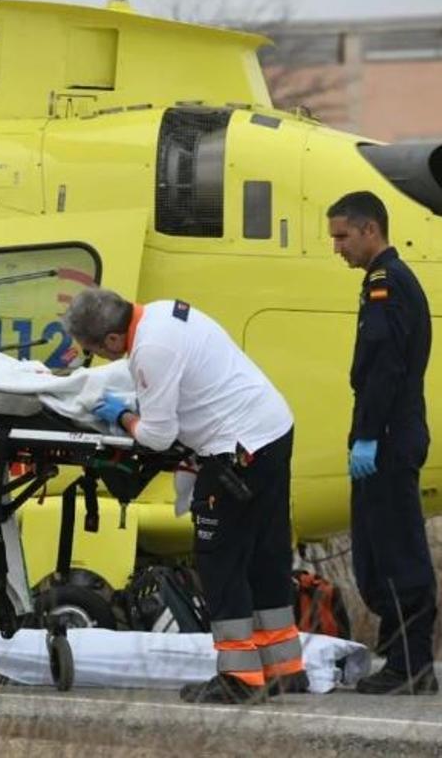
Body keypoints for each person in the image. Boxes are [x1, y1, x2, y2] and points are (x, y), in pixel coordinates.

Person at [65, 288, 305, 704]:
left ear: (110, 339)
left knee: (220, 559)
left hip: (236, 450)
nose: (101, 359)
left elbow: (158, 437)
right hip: (271, 430)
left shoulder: (151, 349)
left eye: (95, 351)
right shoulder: (162, 313)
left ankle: (240, 678)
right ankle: (284, 668)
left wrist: (123, 416)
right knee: (266, 552)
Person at [327, 191, 437, 695]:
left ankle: (410, 666)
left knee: (395, 553)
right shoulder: (386, 282)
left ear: (370, 231)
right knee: (376, 556)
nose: (337, 247)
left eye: (342, 236)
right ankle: (403, 659)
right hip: (388, 433)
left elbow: (384, 370)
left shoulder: (386, 285)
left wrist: (369, 436)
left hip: (388, 436)